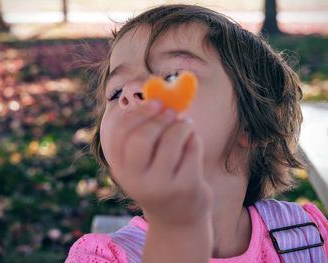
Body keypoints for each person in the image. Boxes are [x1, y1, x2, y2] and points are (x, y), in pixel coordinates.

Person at [65, 4, 328, 263]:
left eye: (172, 77)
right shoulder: (103, 259)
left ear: (251, 123)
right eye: (116, 92)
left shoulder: (305, 238)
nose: (131, 92)